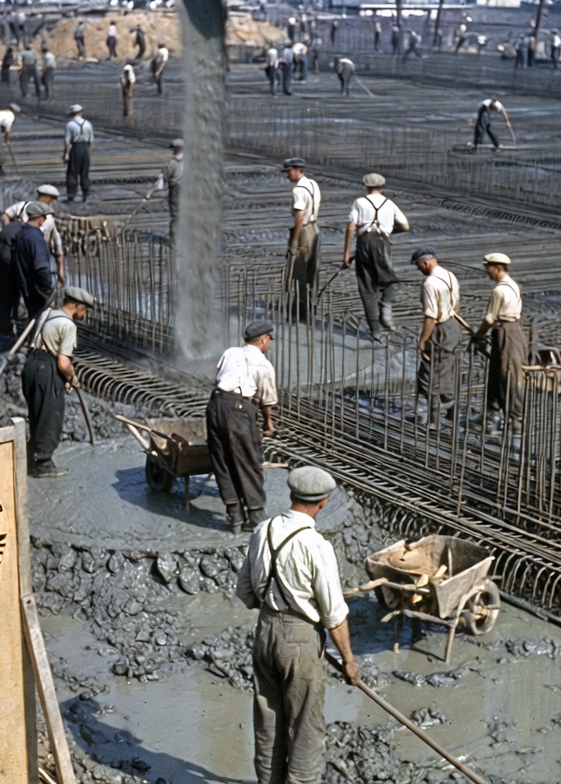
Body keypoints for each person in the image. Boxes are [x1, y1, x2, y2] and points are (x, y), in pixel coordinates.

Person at [235, 465, 359, 784]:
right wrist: (348, 661)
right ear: (323, 503)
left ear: (292, 495)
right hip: (301, 640)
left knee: (268, 725)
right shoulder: (316, 545)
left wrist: (273, 612)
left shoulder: (263, 530)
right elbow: (334, 614)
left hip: (265, 632)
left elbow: (245, 591)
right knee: (305, 729)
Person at [207, 320, 278, 533]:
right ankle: (256, 515)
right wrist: (268, 422)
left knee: (222, 460)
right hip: (238, 408)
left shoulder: (230, 352)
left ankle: (235, 515)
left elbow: (220, 377)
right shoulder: (264, 365)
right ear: (264, 340)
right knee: (249, 459)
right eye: (270, 340)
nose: (270, 344)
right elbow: (267, 401)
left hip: (215, 404)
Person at [21, 286, 95, 478]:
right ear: (78, 306)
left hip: (30, 365)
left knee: (36, 414)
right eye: (85, 310)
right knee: (50, 415)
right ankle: (44, 464)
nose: (85, 315)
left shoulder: (47, 314)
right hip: (46, 368)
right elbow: (63, 362)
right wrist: (72, 377)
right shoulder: (68, 325)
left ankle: (31, 459)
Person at [342, 172, 409, 341]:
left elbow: (351, 227)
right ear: (382, 187)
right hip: (382, 243)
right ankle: (385, 309)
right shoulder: (389, 203)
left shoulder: (359, 202)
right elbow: (405, 226)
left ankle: (376, 331)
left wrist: (347, 254)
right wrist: (388, 231)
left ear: (366, 186)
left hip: (364, 243)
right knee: (391, 280)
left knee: (367, 287)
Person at [468, 253, 526, 434]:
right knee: (495, 374)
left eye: (488, 269)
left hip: (507, 333)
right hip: (508, 331)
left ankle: (514, 420)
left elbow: (490, 318)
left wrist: (478, 335)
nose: (487, 273)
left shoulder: (499, 291)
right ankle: (491, 415)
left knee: (508, 375)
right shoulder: (513, 285)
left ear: (496, 269)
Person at [412, 246, 463, 426]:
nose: (419, 269)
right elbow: (456, 306)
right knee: (446, 368)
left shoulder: (429, 283)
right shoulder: (449, 275)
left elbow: (431, 317)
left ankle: (432, 420)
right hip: (453, 326)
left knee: (428, 373)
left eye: (419, 266)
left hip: (440, 329)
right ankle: (451, 414)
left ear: (426, 262)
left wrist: (423, 341)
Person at [1, 184, 66, 287]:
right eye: (51, 199)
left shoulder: (49, 218)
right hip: (21, 253)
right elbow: (5, 216)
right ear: (46, 198)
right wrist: (11, 231)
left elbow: (56, 243)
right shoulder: (22, 207)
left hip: (33, 255)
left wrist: (60, 268)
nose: (51, 202)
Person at [283, 158, 321, 322]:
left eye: (289, 171)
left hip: (304, 231)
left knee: (299, 271)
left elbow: (300, 216)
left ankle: (301, 310)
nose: (287, 175)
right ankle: (311, 305)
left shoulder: (298, 190)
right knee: (312, 270)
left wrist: (294, 240)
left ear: (299, 170)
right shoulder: (312, 184)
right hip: (315, 228)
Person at [12, 201, 56, 320]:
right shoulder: (36, 238)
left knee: (34, 317)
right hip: (37, 288)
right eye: (44, 217)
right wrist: (47, 288)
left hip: (26, 286)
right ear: (40, 219)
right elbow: (41, 267)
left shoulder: (21, 234)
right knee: (42, 319)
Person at [153, 138, 184, 236]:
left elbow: (164, 176)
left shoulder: (172, 163)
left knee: (175, 215)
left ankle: (175, 238)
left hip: (176, 190)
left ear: (176, 149)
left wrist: (158, 186)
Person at [63, 104, 93, 202]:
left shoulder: (70, 125)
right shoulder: (88, 124)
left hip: (75, 148)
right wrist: (88, 152)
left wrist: (66, 154)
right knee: (85, 173)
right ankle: (85, 194)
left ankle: (71, 195)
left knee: (72, 172)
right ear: (81, 113)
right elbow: (90, 141)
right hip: (85, 148)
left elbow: (67, 141)